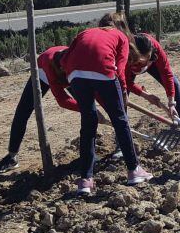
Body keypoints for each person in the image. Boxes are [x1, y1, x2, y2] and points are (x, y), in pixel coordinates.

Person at [61, 13, 152, 194]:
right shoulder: (121, 37)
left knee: (88, 124)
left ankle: (86, 181)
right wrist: (123, 93)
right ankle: (134, 170)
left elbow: (64, 59)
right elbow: (120, 68)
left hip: (74, 75)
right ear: (120, 27)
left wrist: (81, 77)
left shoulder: (85, 32)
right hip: (103, 70)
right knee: (120, 120)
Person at [0, 45, 109, 174]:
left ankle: (88, 155)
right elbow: (62, 100)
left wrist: (105, 110)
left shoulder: (78, 63)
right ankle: (12, 157)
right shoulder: (50, 67)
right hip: (42, 73)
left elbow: (95, 92)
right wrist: (86, 108)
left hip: (71, 73)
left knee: (88, 111)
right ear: (61, 69)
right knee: (22, 111)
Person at [124, 33, 180, 122]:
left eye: (148, 57)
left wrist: (171, 103)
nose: (146, 62)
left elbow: (166, 74)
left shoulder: (154, 47)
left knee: (174, 83)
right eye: (142, 61)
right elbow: (126, 82)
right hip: (130, 68)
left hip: (152, 65)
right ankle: (123, 127)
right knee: (122, 94)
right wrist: (145, 95)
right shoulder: (126, 55)